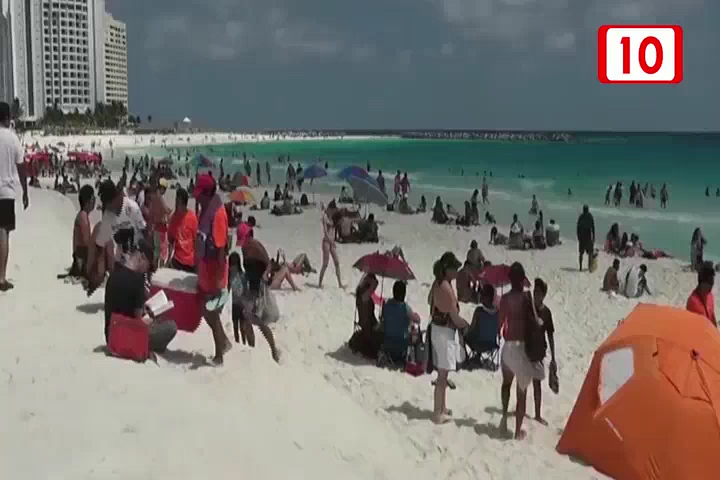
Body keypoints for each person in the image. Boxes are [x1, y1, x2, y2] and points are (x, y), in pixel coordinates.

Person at [104, 238, 177, 353]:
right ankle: (150, 347)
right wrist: (152, 316)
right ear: (142, 257)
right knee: (171, 327)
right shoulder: (137, 280)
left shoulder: (114, 273)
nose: (146, 271)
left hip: (110, 336)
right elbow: (139, 321)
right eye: (147, 266)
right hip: (126, 338)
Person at [498, 262, 544, 440]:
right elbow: (535, 320)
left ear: (510, 279)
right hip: (521, 347)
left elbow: (499, 325)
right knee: (521, 392)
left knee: (506, 384)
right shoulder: (526, 297)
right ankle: (517, 432)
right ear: (522, 279)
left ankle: (503, 417)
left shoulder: (504, 299)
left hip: (508, 346)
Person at [193, 173, 232, 364]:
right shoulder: (206, 208)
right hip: (205, 269)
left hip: (214, 272)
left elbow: (221, 249)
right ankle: (224, 341)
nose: (197, 197)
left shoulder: (217, 214)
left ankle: (219, 355)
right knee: (204, 309)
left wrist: (217, 280)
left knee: (211, 312)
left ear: (207, 193)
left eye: (199, 194)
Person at [428, 252, 468, 424]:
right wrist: (467, 326)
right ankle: (437, 412)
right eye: (454, 268)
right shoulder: (445, 287)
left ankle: (442, 407)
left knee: (443, 373)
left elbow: (431, 303)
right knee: (442, 375)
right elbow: (455, 317)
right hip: (444, 332)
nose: (457, 271)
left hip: (439, 330)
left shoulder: (438, 283)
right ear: (447, 269)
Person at [0, 101, 29, 291]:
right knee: (3, 232)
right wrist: (25, 191)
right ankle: (1, 278)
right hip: (6, 192)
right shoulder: (13, 138)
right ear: (7, 117)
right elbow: (21, 166)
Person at [530, 278, 556, 425]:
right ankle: (520, 410)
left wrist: (553, 357)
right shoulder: (528, 308)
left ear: (544, 295)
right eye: (535, 291)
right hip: (525, 350)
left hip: (539, 352)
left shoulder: (546, 313)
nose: (536, 295)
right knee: (522, 383)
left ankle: (538, 414)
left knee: (537, 384)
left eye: (539, 293)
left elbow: (550, 335)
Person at [167, 187, 198, 273]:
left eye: (178, 201)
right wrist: (169, 259)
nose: (176, 203)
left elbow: (196, 241)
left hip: (191, 262)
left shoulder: (192, 218)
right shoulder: (174, 218)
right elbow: (170, 240)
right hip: (177, 261)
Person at [69, 185, 95, 278]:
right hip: (81, 261)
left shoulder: (82, 215)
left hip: (79, 258)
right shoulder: (83, 217)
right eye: (93, 198)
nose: (94, 201)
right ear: (88, 201)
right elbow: (85, 242)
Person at [318, 205, 343, 288]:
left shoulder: (333, 217)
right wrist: (332, 242)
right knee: (325, 264)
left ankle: (340, 283)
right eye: (332, 210)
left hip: (331, 242)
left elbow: (337, 212)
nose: (333, 211)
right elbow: (325, 233)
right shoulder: (325, 217)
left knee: (337, 262)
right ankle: (319, 283)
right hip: (326, 242)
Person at [686, 262, 716, 327]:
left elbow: (712, 315)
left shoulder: (710, 295)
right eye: (709, 283)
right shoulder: (693, 302)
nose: (711, 287)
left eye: (712, 283)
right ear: (702, 282)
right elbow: (692, 326)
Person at [576, 205, 595, 271]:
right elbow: (593, 227)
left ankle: (580, 267)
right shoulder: (590, 216)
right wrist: (594, 236)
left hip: (582, 237)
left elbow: (578, 228)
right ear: (588, 209)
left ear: (583, 209)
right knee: (590, 253)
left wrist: (578, 236)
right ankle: (589, 266)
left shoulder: (581, 217)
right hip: (588, 237)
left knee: (581, 253)